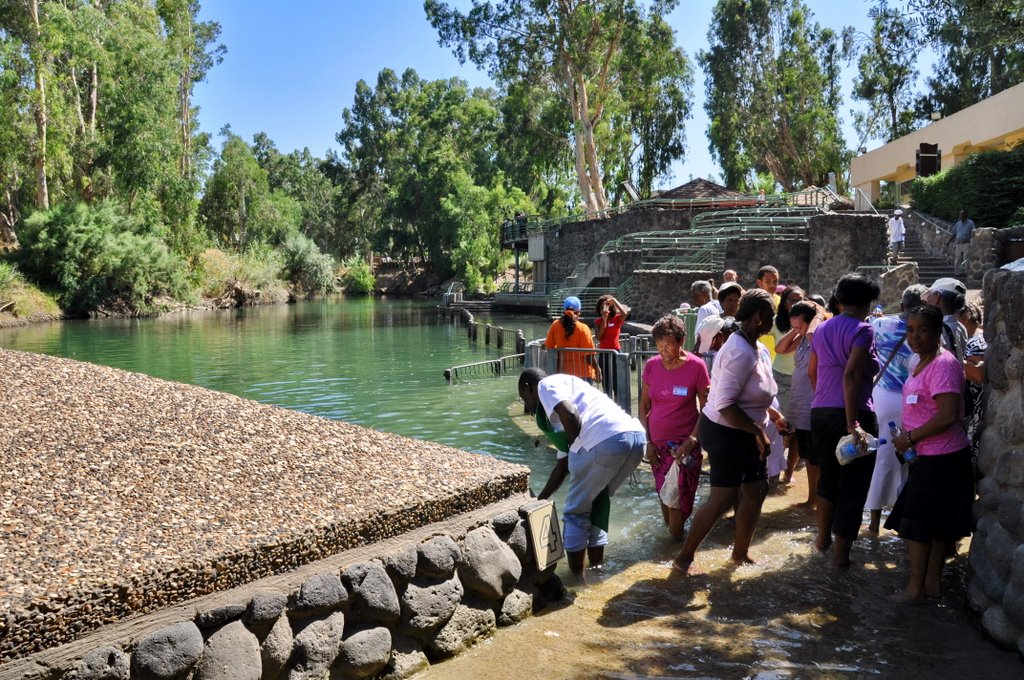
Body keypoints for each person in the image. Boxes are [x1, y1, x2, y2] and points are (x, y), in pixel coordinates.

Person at [671, 289, 790, 573]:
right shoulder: (738, 350)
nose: (773, 319)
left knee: (756, 490)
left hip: (746, 431)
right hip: (727, 432)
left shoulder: (758, 347)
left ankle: (739, 554)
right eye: (771, 315)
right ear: (759, 316)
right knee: (724, 498)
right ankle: (683, 558)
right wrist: (757, 432)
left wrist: (772, 414)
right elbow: (723, 405)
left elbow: (756, 392)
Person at [886, 304, 974, 603]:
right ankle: (931, 584)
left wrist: (910, 437)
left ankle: (916, 588)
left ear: (938, 331)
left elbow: (948, 414)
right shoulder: (920, 361)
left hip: (941, 457)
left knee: (918, 526)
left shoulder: (943, 364)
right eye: (910, 330)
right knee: (935, 525)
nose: (915, 336)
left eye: (922, 330)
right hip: (929, 455)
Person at [519, 368, 646, 574]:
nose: (526, 404)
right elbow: (561, 467)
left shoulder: (546, 385)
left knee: (575, 513)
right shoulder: (568, 397)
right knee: (596, 501)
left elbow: (570, 415)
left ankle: (576, 579)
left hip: (605, 440)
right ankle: (596, 571)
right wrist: (539, 500)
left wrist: (576, 446)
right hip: (635, 439)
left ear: (529, 387)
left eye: (524, 398)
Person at [809, 273, 881, 567]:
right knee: (853, 484)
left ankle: (822, 541)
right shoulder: (864, 330)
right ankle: (841, 559)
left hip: (821, 412)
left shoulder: (821, 329)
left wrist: (825, 401)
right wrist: (853, 425)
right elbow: (851, 375)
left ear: (837, 300)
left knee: (828, 477)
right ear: (868, 303)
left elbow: (812, 372)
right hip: (854, 414)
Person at [639, 315, 711, 540]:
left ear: (681, 341)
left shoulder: (696, 367)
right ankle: (673, 540)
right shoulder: (651, 366)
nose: (663, 350)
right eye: (659, 345)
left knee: (676, 500)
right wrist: (647, 442)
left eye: (668, 344)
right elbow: (643, 405)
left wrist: (693, 439)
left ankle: (674, 549)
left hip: (682, 447)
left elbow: (706, 407)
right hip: (657, 447)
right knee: (664, 495)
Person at [866, 284, 928, 533]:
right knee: (910, 459)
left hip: (881, 396)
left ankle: (872, 522)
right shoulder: (927, 332)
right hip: (912, 399)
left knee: (882, 458)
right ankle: (905, 521)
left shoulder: (881, 325)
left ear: (902, 306)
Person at [783, 300, 827, 506]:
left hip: (812, 403)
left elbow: (813, 373)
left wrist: (815, 318)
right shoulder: (802, 339)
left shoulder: (817, 337)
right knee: (807, 454)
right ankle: (813, 498)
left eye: (799, 325)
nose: (796, 330)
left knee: (814, 456)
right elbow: (780, 347)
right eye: (793, 325)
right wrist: (796, 331)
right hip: (799, 404)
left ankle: (814, 499)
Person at [771, 286, 807, 483]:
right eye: (792, 300)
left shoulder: (811, 325)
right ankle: (773, 472)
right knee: (781, 429)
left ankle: (789, 474)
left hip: (804, 381)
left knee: (798, 433)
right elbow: (779, 348)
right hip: (781, 379)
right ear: (785, 303)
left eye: (799, 299)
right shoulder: (778, 322)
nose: (795, 303)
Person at [957, 300, 987, 475]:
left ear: (967, 317)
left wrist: (954, 360)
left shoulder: (976, 341)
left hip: (976, 407)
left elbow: (978, 373)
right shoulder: (978, 337)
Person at [546, 296, 601, 383]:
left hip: (563, 374)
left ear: (564, 311)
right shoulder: (583, 328)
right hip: (583, 374)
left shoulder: (555, 325)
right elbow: (589, 355)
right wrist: (597, 370)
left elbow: (549, 346)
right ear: (578, 312)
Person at [923, 278, 967, 362]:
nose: (927, 300)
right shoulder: (961, 328)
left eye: (929, 296)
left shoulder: (936, 329)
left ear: (937, 296)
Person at [593, 295, 628, 394]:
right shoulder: (598, 321)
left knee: (617, 383)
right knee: (606, 383)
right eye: (601, 307)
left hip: (616, 353)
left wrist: (614, 300)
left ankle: (618, 405)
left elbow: (624, 313)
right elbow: (599, 337)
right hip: (604, 354)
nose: (603, 309)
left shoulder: (617, 318)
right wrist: (604, 320)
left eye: (606, 306)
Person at [755, 266, 781, 361]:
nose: (773, 285)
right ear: (759, 282)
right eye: (768, 281)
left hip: (777, 356)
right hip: (757, 354)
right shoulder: (751, 303)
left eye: (775, 281)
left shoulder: (782, 302)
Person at [948, 210, 976, 276]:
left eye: (962, 214)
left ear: (966, 215)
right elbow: (954, 233)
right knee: (958, 258)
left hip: (966, 243)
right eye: (960, 215)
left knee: (966, 258)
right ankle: (957, 273)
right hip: (958, 243)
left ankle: (966, 272)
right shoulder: (958, 223)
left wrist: (973, 242)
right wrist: (949, 241)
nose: (960, 216)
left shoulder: (971, 223)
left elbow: (973, 233)